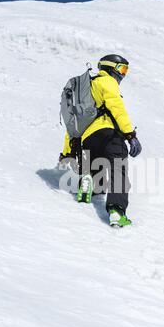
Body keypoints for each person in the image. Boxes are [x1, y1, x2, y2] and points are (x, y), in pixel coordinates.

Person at [60, 54, 142, 227]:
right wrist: (130, 135)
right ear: (111, 68)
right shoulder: (107, 81)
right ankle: (116, 212)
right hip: (108, 133)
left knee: (94, 168)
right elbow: (117, 108)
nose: (123, 74)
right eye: (122, 69)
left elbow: (72, 123)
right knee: (117, 167)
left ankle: (87, 182)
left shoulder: (85, 89)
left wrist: (67, 152)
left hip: (87, 138)